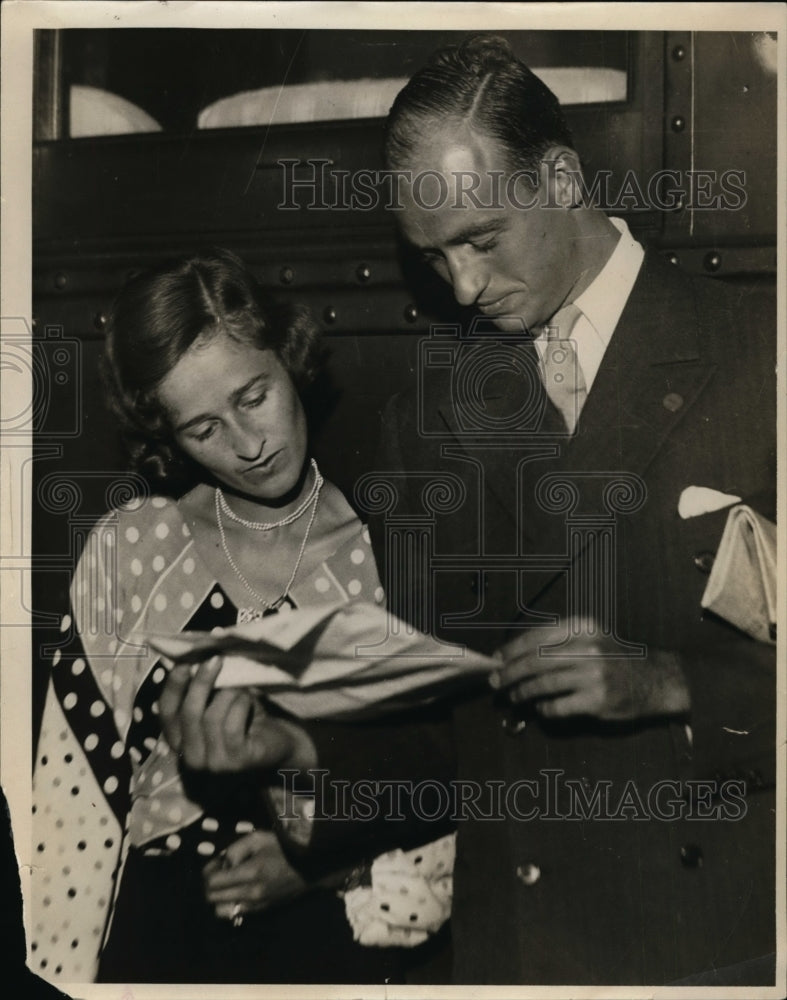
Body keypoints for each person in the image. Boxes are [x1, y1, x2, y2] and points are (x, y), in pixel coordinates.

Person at [270, 36, 778, 985]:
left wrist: (672, 684)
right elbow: (439, 717)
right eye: (432, 256)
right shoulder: (424, 421)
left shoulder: (759, 352)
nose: (462, 288)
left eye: (481, 240)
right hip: (520, 954)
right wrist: (299, 747)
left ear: (558, 178)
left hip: (724, 950)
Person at [29, 249, 451, 985]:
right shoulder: (133, 545)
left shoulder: (385, 548)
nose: (247, 445)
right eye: (203, 429)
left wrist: (328, 868)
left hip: (336, 934)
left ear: (288, 359)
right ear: (167, 436)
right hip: (160, 938)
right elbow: (76, 807)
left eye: (253, 396)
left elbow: (438, 782)